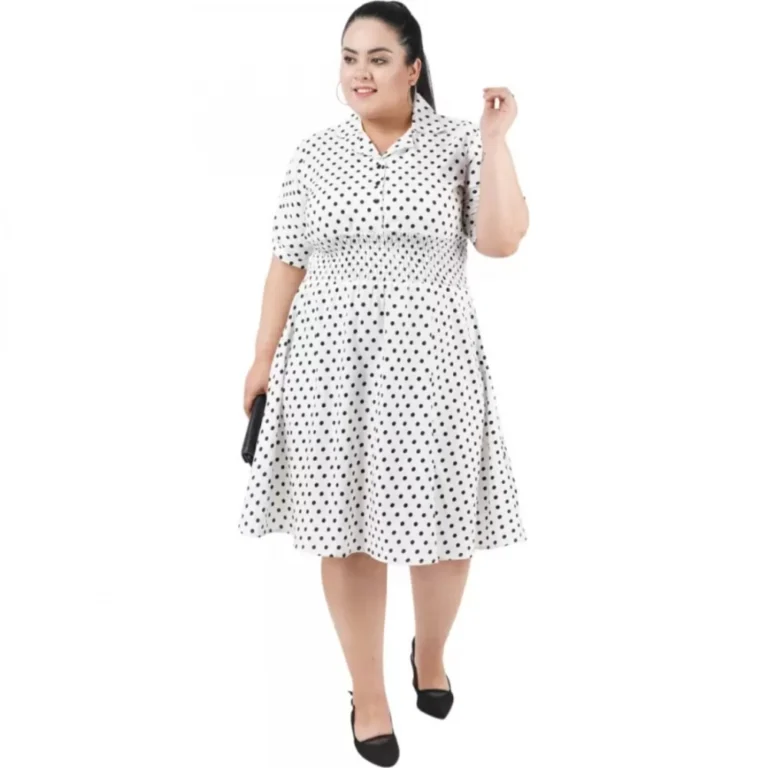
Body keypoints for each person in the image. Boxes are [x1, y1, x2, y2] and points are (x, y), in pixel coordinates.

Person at [239, 2, 529, 764]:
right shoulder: (315, 154)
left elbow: (501, 241)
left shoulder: (459, 142)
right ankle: (368, 692)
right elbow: (286, 259)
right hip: (328, 363)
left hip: (434, 363)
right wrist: (262, 356)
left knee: (444, 522)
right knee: (344, 527)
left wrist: (495, 142)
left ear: (413, 68)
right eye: (348, 58)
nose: (359, 73)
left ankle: (429, 653)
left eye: (377, 58)